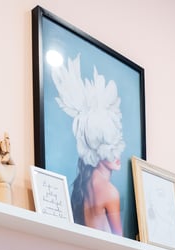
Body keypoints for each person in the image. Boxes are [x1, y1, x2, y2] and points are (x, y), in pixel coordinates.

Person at [51, 55, 125, 235]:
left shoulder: (83, 185)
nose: (117, 154)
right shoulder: (110, 191)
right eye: (109, 146)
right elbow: (121, 243)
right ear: (96, 150)